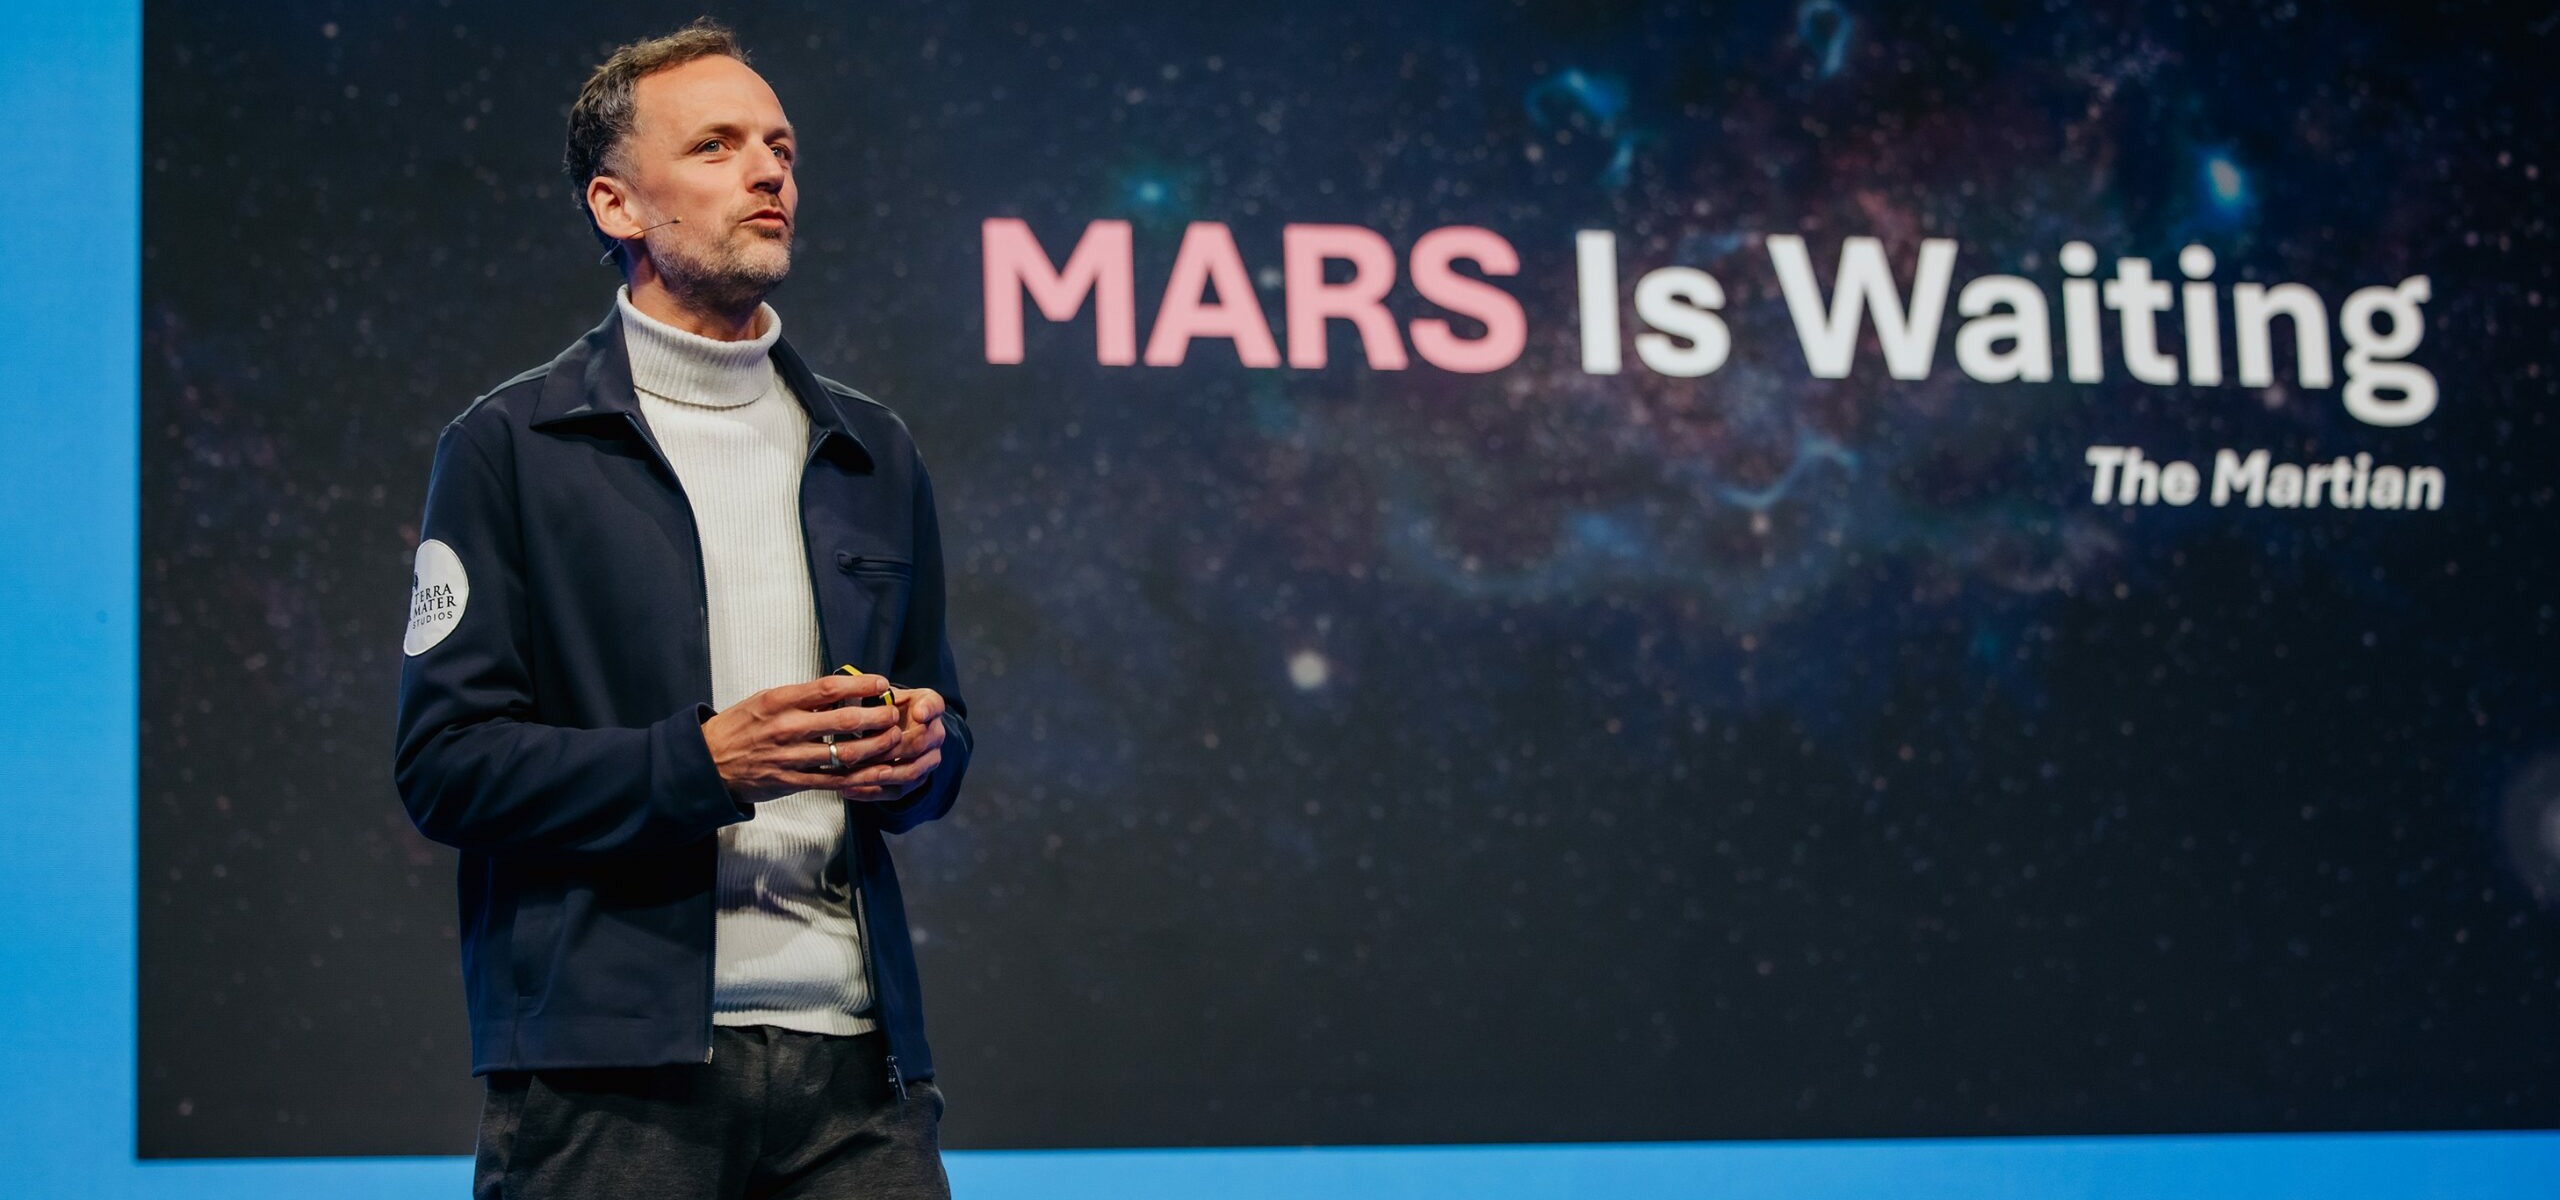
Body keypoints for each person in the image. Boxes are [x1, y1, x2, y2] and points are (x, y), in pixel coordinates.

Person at [392, 19, 969, 1198]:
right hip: (608, 1086)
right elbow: (447, 766)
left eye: (781, 148)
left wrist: (923, 748)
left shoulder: (869, 450)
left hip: (861, 1081)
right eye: (716, 145)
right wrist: (703, 762)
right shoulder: (510, 447)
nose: (768, 172)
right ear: (616, 206)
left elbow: (947, 728)